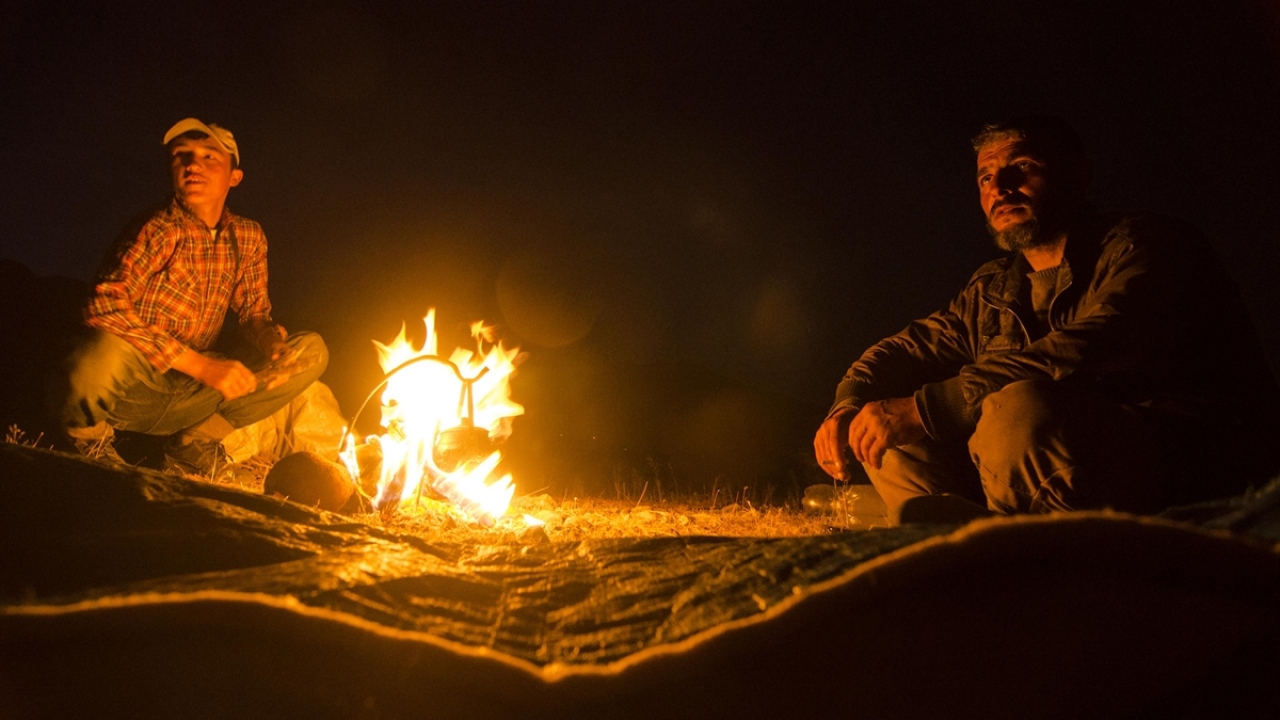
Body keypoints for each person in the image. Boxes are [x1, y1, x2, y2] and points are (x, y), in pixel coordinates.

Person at [813, 115, 1280, 525]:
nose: (1000, 187)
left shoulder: (1150, 248)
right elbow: (904, 349)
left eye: (1022, 167)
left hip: (1185, 472)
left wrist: (931, 408)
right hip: (1042, 488)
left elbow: (1087, 348)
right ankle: (954, 552)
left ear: (1077, 175)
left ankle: (1043, 562)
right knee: (885, 435)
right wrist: (848, 406)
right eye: (985, 177)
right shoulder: (991, 290)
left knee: (1018, 411)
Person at [51, 118, 328, 475]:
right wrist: (203, 366)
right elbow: (103, 306)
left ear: (234, 176)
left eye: (209, 156)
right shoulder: (157, 228)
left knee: (311, 350)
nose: (193, 164)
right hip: (134, 391)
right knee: (99, 350)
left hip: (193, 393)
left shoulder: (248, 237)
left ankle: (194, 444)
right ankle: (89, 440)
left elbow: (254, 314)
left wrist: (273, 344)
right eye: (181, 156)